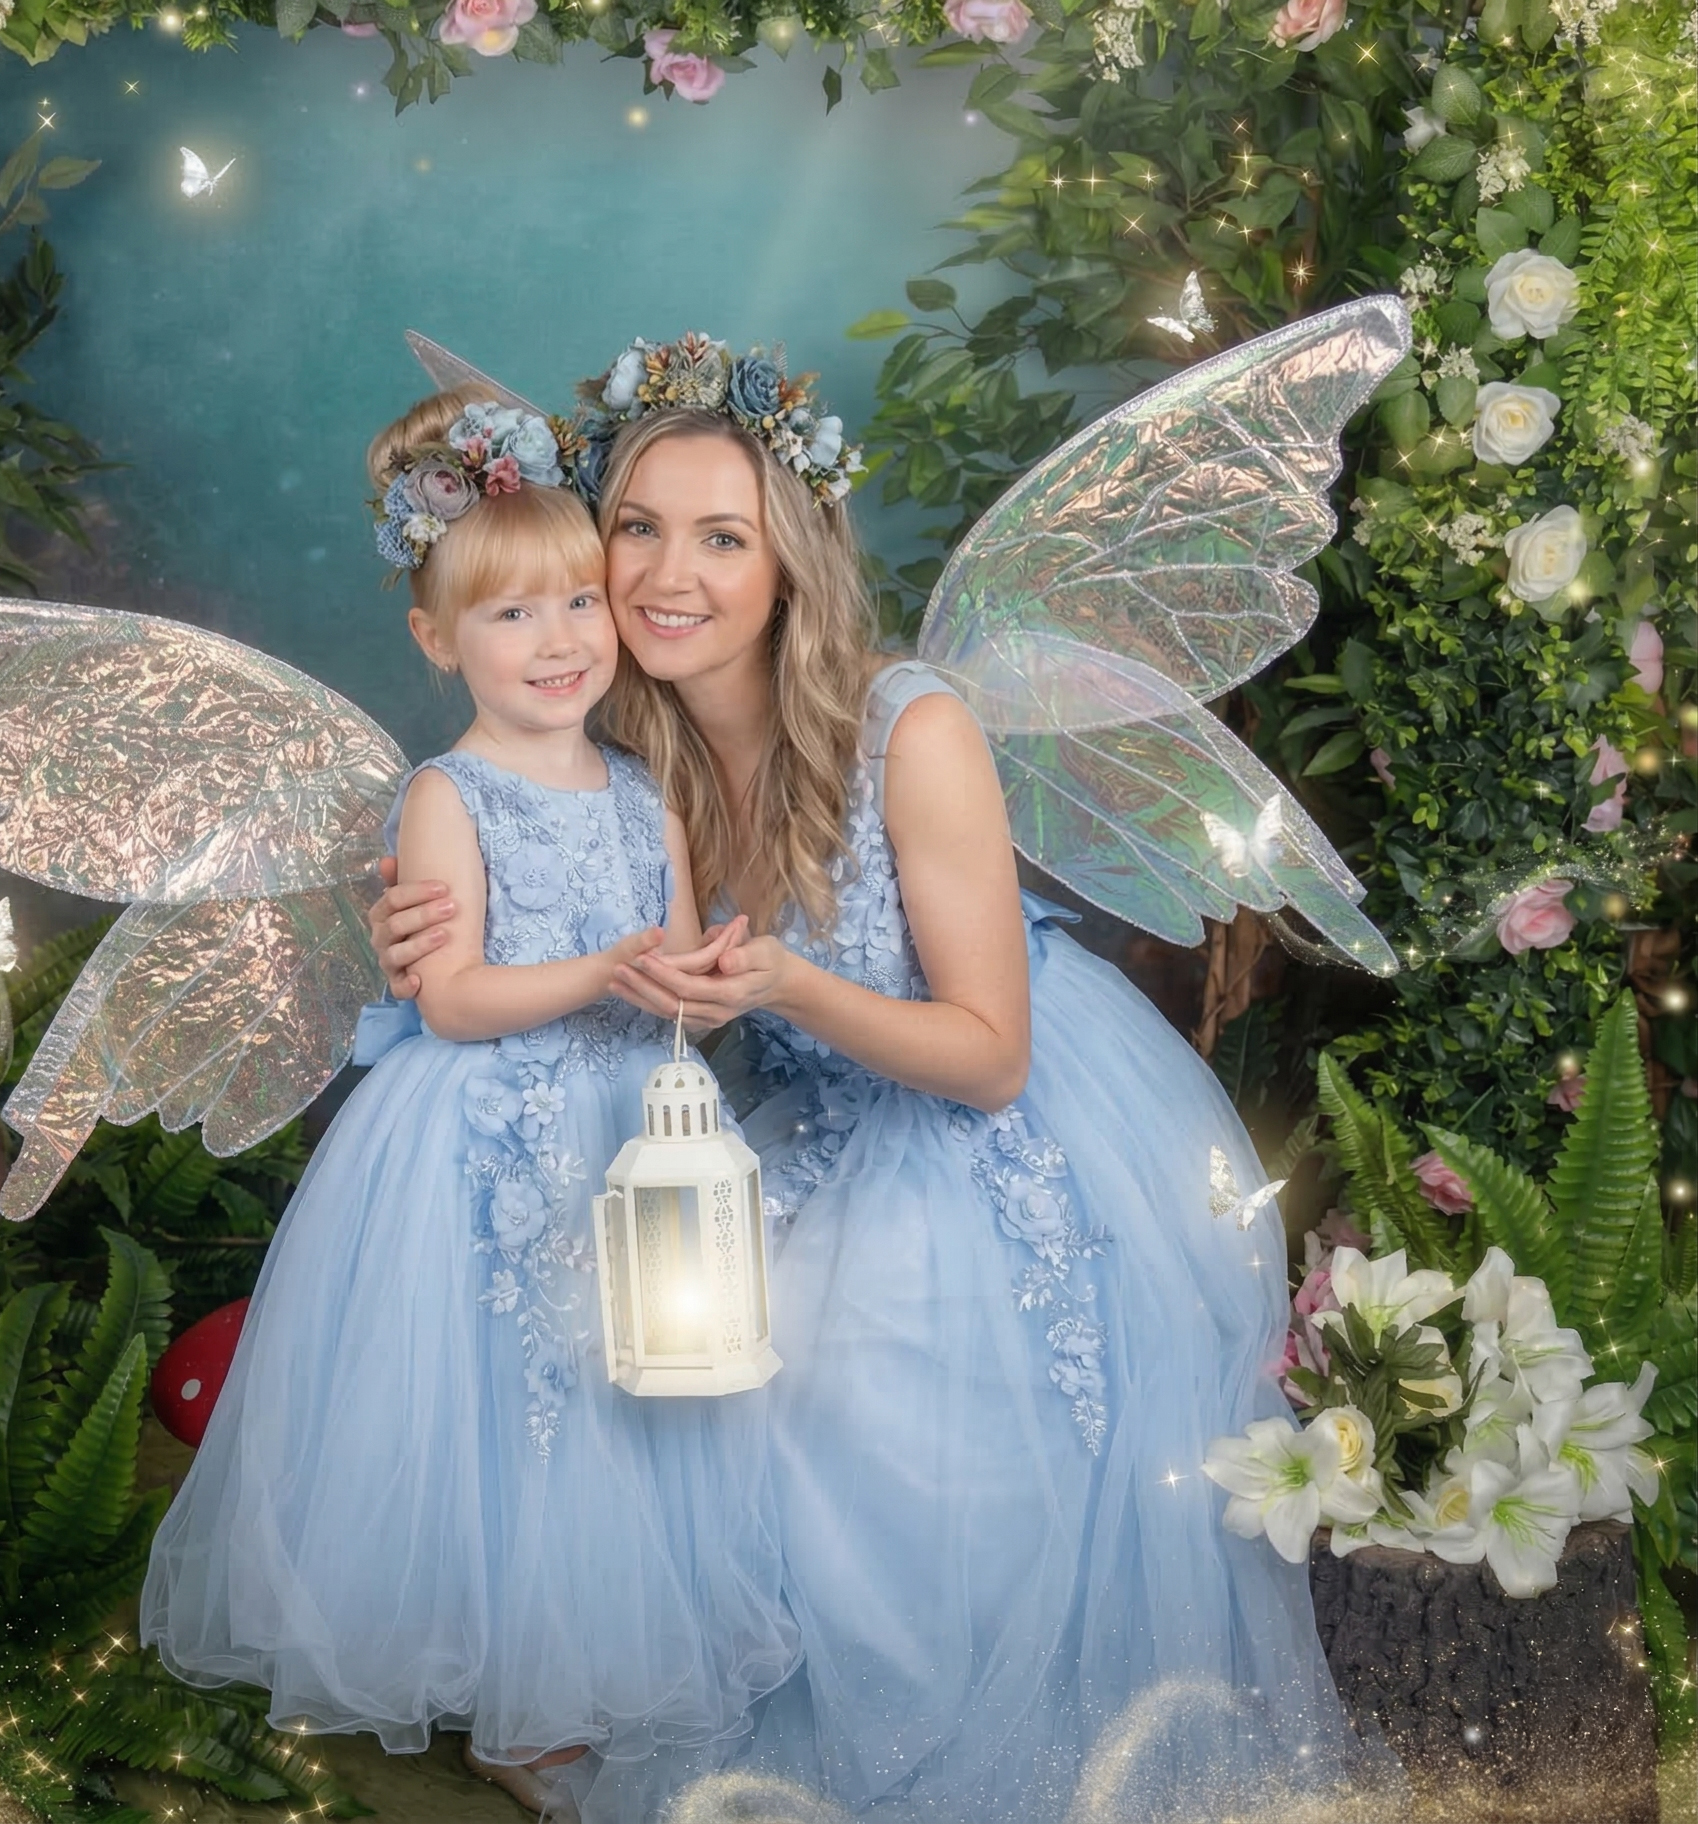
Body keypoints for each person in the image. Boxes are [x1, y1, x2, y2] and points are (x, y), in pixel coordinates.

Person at [367, 339, 1401, 1824]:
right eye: (639, 530)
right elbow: (490, 861)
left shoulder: (907, 725)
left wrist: (786, 982)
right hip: (806, 1131)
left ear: (788, 562)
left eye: (723, 537)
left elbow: (987, 1057)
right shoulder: (610, 748)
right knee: (639, 1335)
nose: (670, 572)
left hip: (985, 1130)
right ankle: (594, 1672)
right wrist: (405, 909)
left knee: (832, 1391)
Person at [139, 388, 798, 1818]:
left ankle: (610, 1655)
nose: (557, 640)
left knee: (630, 1391)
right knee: (501, 1397)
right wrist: (600, 970)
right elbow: (451, 1000)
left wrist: (695, 976)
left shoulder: (644, 790)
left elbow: (673, 964)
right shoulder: (451, 793)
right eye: (509, 618)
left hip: (631, 1122)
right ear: (437, 640)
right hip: (489, 1133)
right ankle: (514, 1700)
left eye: (577, 603)